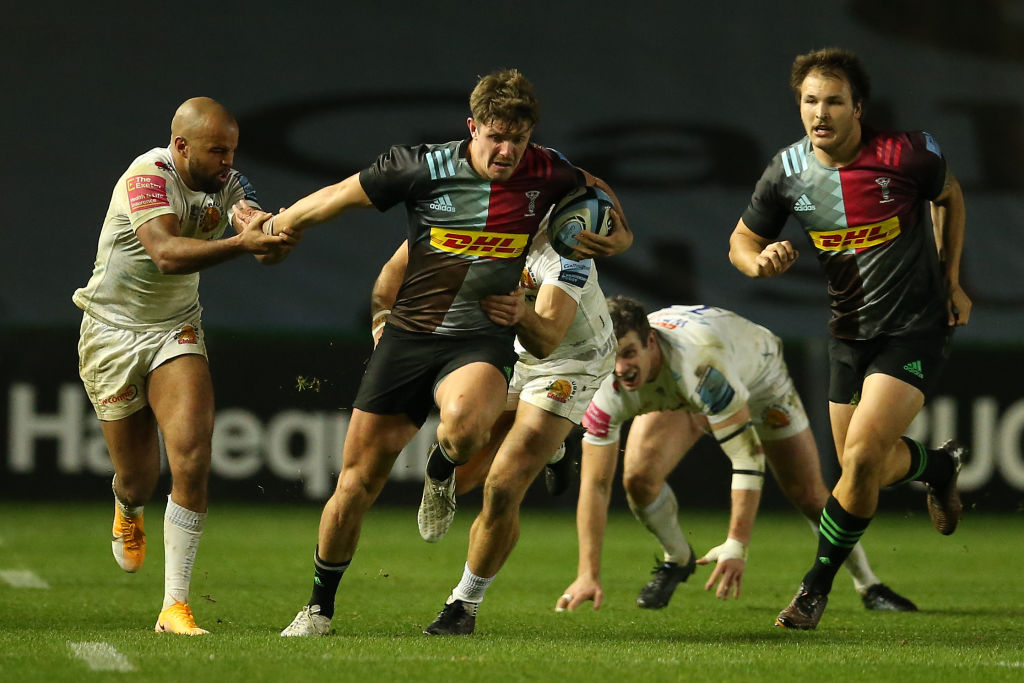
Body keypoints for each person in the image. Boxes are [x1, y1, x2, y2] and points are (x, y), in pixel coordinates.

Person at [267, 68, 631, 637]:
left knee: (465, 433)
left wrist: (622, 237)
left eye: (518, 139)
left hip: (486, 340)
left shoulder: (552, 181)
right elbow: (340, 198)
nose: (507, 151)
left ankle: (450, 474)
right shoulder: (422, 167)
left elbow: (600, 195)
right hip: (411, 336)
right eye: (496, 137)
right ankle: (318, 608)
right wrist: (279, 225)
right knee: (355, 484)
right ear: (472, 127)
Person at [728, 47, 970, 630]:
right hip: (848, 333)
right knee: (862, 470)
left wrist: (952, 280)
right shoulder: (786, 172)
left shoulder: (907, 154)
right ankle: (938, 468)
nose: (821, 112)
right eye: (810, 101)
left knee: (860, 459)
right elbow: (740, 241)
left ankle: (814, 589)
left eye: (834, 101)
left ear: (858, 107)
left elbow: (950, 197)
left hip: (914, 328)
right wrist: (758, 262)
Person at [72, 97, 294, 635]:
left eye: (232, 151)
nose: (227, 161)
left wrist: (273, 239)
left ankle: (174, 606)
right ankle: (128, 507)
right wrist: (243, 243)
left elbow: (253, 231)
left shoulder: (229, 183)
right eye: (217, 151)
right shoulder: (148, 176)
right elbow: (167, 254)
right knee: (139, 477)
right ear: (181, 146)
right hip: (111, 332)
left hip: (175, 327)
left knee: (192, 454)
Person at [555, 297, 917, 615]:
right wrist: (588, 573)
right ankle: (678, 558)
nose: (621, 368)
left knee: (808, 494)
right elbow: (596, 484)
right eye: (613, 355)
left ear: (651, 342)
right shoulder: (605, 382)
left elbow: (747, 457)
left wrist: (736, 544)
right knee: (639, 480)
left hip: (760, 378)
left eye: (629, 353)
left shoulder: (701, 368)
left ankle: (868, 585)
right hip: (679, 380)